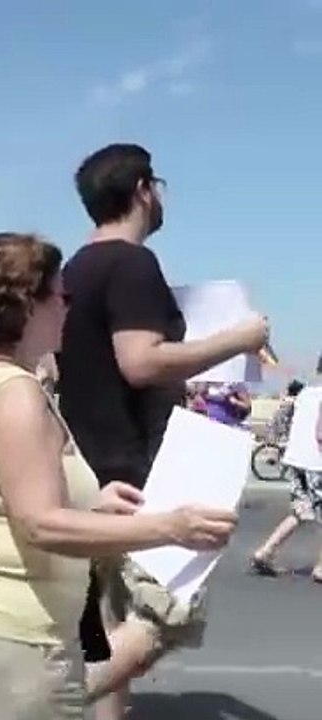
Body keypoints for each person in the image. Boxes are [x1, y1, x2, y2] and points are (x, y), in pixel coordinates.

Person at [0, 232, 238, 719]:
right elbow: (40, 523)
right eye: (61, 296)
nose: (68, 308)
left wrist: (93, 502)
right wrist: (169, 527)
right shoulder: (16, 394)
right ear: (26, 306)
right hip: (20, 635)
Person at [57, 143, 269, 719]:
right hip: (135, 470)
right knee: (161, 618)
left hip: (89, 466)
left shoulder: (73, 270)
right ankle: (38, 706)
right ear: (144, 189)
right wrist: (240, 338)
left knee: (107, 619)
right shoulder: (132, 264)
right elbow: (141, 361)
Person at [251, 380, 322, 582]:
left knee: (300, 510)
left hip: (295, 459)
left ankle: (266, 551)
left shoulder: (306, 392)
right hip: (316, 462)